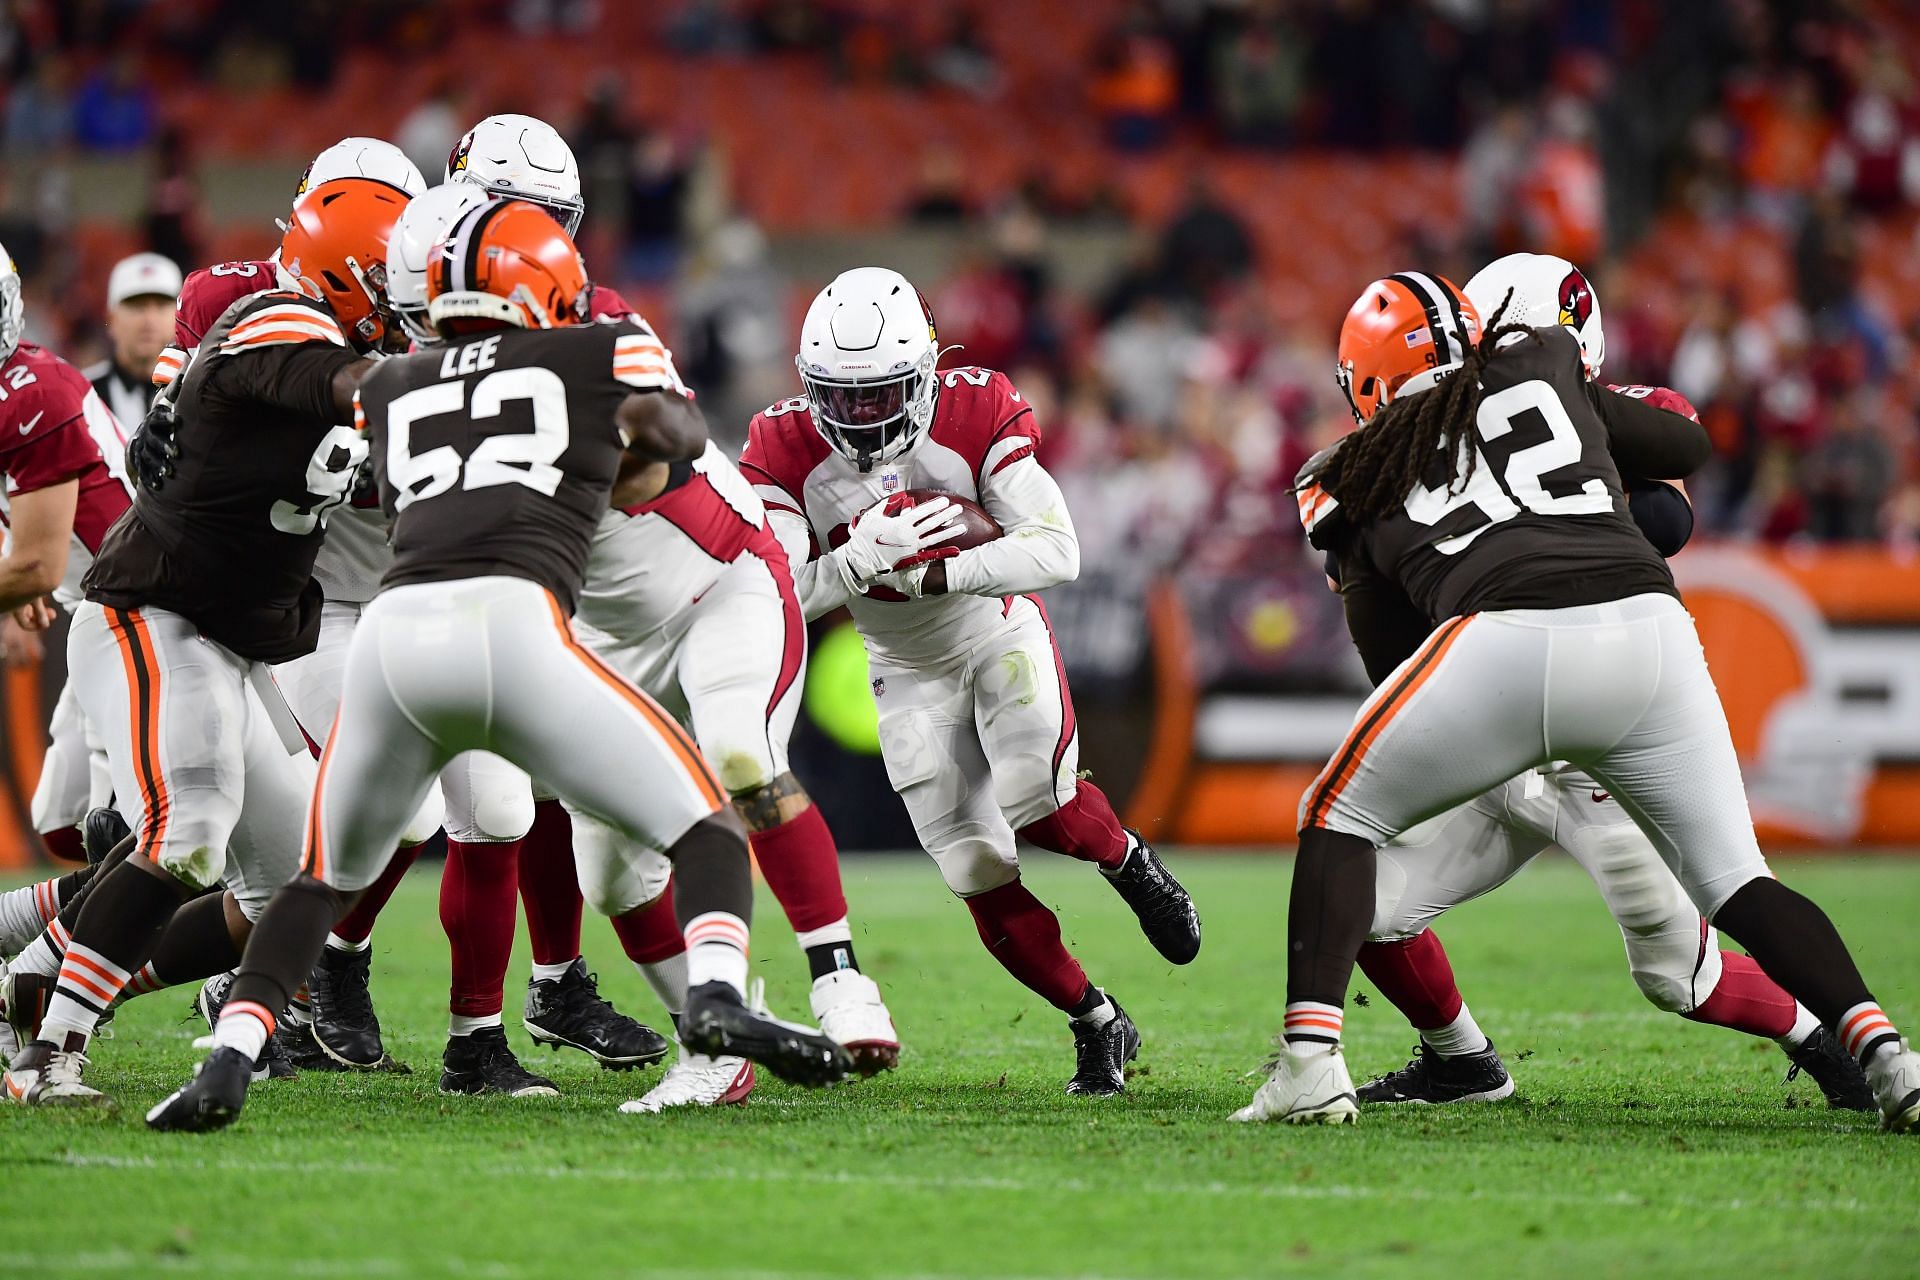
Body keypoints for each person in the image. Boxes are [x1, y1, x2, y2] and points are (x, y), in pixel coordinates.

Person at [147, 201, 849, 1132]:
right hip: (515, 627)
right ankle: (715, 995)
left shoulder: (396, 380)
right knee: (709, 825)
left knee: (319, 880)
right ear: (548, 286)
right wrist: (621, 443)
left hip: (395, 641)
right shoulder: (589, 354)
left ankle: (229, 1061)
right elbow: (675, 440)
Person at [1233, 271, 1920, 1133]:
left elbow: (1393, 659)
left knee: (1342, 822)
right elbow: (1682, 459)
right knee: (1736, 880)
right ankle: (1891, 1057)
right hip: (1642, 643)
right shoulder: (1548, 362)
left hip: (1506, 661)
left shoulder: (1351, 474)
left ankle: (1309, 1062)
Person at [741, 266, 1201, 1096]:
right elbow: (772, 598)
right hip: (901, 664)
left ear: (922, 374)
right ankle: (1098, 1022)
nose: (861, 417)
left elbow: (1058, 550)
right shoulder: (780, 444)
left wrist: (942, 574)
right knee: (974, 866)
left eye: (881, 394)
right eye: (841, 398)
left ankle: (1128, 861)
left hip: (993, 628)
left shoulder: (977, 405)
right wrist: (849, 564)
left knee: (1042, 803)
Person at [1, 178, 408, 1108]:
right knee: (182, 830)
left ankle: (27, 980)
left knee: (304, 876)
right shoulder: (276, 319)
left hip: (231, 639)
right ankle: (50, 1052)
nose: (403, 300)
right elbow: (332, 382)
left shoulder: (345, 341)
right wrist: (444, 387)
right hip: (153, 609)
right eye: (388, 277)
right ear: (345, 272)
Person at [142, 137, 434, 1074]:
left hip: (317, 596)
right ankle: (72, 986)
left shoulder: (418, 310)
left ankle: (73, 977)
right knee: (215, 837)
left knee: (333, 835)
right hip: (232, 597)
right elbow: (178, 419)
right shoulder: (243, 304)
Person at [0, 240, 134, 976]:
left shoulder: (30, 388)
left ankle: (40, 985)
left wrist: (21, 585)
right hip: (96, 607)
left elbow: (36, 561)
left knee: (146, 837)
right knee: (69, 823)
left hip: (138, 610)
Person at [86, 252, 179, 429]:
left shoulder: (199, 394)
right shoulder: (81, 393)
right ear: (111, 319)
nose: (149, 319)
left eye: (161, 306)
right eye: (137, 306)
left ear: (179, 318)